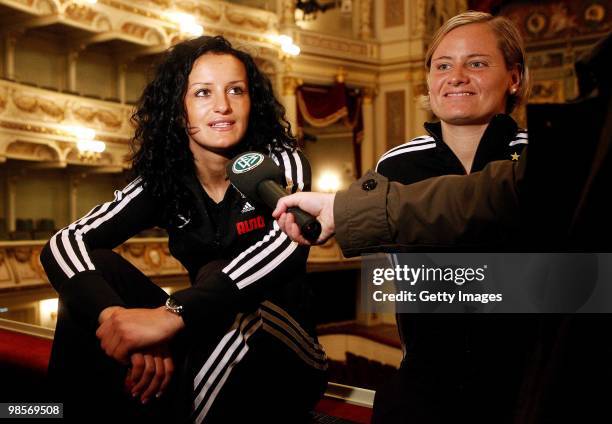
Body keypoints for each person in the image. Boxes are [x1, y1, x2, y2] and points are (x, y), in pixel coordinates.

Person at [40, 35, 327, 423]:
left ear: (250, 102)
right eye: (203, 93)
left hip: (284, 343)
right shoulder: (164, 177)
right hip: (198, 330)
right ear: (179, 109)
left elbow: (285, 246)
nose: (222, 106)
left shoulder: (279, 163)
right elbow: (64, 243)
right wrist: (117, 319)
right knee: (95, 273)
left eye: (235, 91)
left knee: (221, 284)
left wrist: (172, 316)